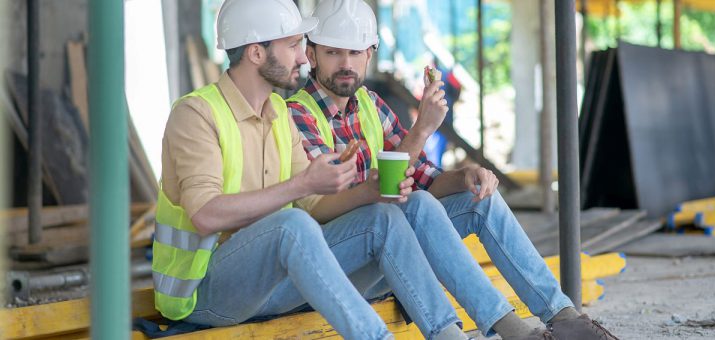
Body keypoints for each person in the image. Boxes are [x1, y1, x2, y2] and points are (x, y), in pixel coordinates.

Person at [288, 1, 619, 339]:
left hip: (396, 253)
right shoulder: (297, 115)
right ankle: (517, 334)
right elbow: (337, 209)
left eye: (355, 52)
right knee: (414, 205)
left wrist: (465, 177)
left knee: (480, 200)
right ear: (311, 55)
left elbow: (423, 179)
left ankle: (565, 320)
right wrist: (421, 131)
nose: (346, 64)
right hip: (337, 266)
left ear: (369, 54)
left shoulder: (371, 106)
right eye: (333, 52)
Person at [153, 0, 473, 339]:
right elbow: (205, 215)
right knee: (290, 224)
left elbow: (312, 206)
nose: (305, 58)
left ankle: (448, 336)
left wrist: (367, 192)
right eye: (293, 45)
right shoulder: (196, 114)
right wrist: (303, 183)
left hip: (270, 286)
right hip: (203, 294)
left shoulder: (277, 110)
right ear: (256, 53)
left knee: (384, 217)